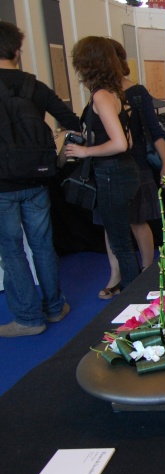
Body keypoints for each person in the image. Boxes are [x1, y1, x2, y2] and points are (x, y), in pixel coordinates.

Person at [0, 21, 77, 337]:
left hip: (2, 185)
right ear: (17, 51)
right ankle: (55, 307)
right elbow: (70, 119)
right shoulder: (34, 86)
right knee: (43, 244)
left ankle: (29, 319)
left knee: (12, 250)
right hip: (37, 179)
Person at [96, 38, 165, 300]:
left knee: (138, 222)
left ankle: (148, 272)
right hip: (107, 169)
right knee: (112, 225)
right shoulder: (101, 94)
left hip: (136, 165)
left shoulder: (136, 92)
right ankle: (116, 275)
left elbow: (155, 131)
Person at [67, 36, 141, 295]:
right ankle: (133, 296)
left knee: (121, 243)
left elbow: (121, 143)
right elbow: (127, 140)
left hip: (113, 174)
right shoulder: (113, 94)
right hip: (121, 172)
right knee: (123, 240)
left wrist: (85, 150)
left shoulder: (101, 95)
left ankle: (134, 301)